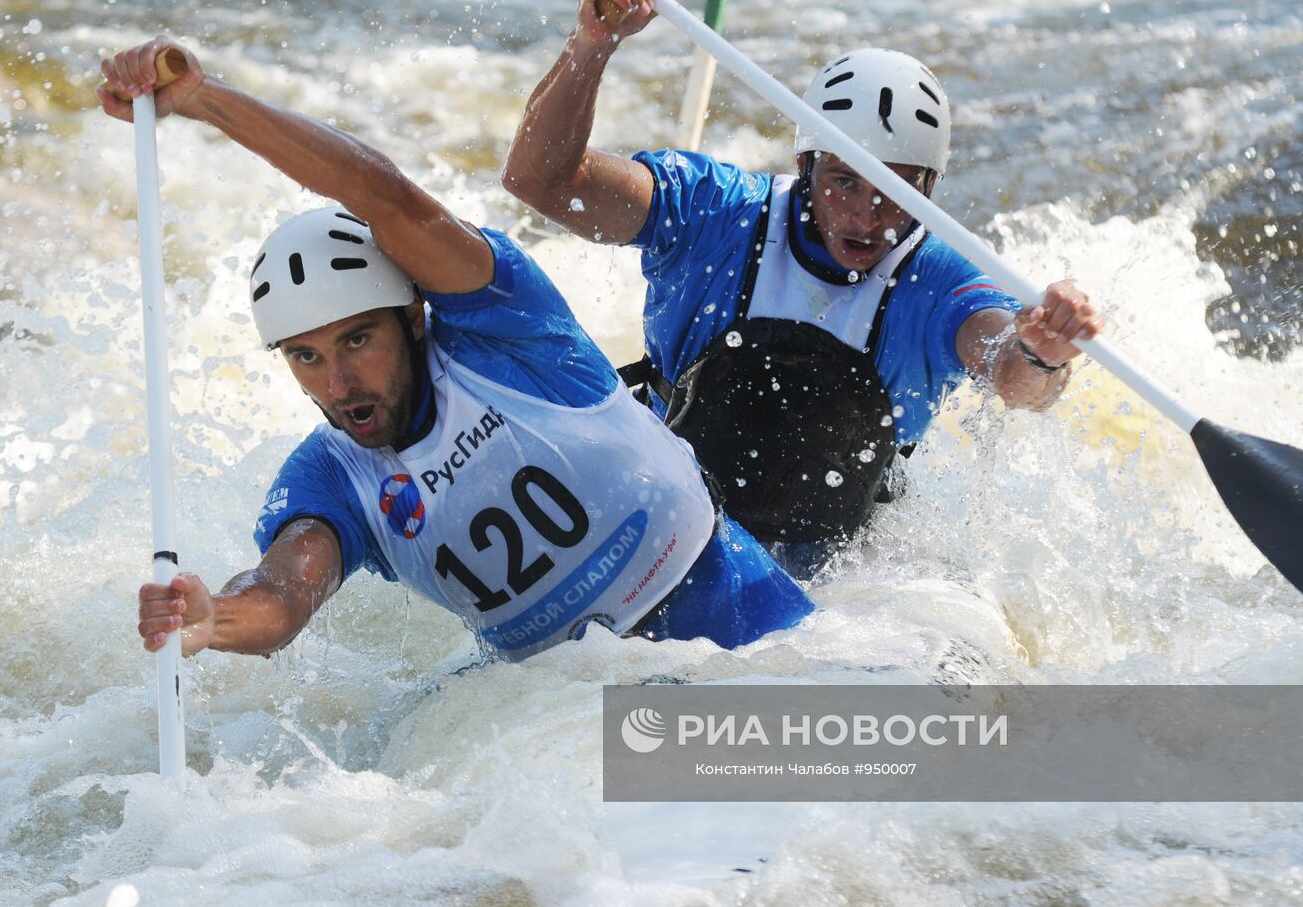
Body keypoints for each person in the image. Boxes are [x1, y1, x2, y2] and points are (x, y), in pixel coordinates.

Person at [98, 37, 814, 663]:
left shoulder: (502, 323)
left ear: (412, 316)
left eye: (357, 339)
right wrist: (214, 617)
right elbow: (283, 592)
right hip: (570, 713)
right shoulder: (333, 475)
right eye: (305, 357)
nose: (340, 381)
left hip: (748, 630)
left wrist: (204, 98)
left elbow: (383, 196)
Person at [502, 0, 1104, 573]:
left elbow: (1014, 376)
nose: (867, 216)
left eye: (895, 194)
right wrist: (592, 44)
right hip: (667, 528)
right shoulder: (713, 216)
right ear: (804, 166)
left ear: (929, 189)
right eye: (843, 182)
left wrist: (1044, 348)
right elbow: (539, 180)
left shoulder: (938, 281)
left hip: (839, 580)